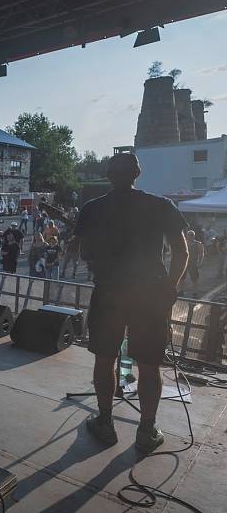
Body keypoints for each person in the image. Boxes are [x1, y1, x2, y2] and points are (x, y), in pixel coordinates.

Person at [75, 152, 189, 454]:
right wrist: (170, 287)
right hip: (150, 295)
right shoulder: (161, 205)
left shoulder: (92, 209)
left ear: (109, 175)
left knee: (105, 359)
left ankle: (106, 423)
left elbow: (85, 253)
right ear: (137, 173)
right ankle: (146, 430)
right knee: (149, 366)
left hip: (109, 293)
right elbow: (182, 253)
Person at [184, 230, 205, 297]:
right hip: (185, 263)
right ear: (187, 235)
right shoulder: (184, 243)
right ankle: (181, 291)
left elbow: (201, 254)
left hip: (193, 263)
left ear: (194, 236)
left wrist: (200, 263)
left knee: (194, 279)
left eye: (191, 235)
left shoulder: (198, 244)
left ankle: (195, 292)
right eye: (189, 235)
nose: (190, 236)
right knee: (181, 278)